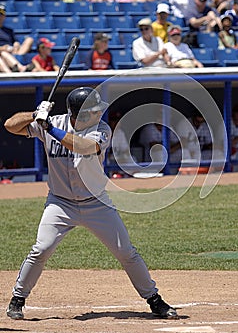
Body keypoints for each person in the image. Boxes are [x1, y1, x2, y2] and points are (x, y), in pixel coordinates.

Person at [5, 87, 178, 320]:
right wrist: (35, 114)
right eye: (94, 110)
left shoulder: (101, 129)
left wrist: (49, 129)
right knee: (41, 250)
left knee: (126, 252)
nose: (99, 113)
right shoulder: (52, 121)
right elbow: (10, 125)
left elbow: (83, 146)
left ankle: (154, 300)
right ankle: (17, 299)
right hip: (60, 203)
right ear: (80, 114)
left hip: (96, 203)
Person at [0, 3, 34, 73]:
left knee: (29, 40)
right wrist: (3, 48)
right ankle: (19, 69)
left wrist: (16, 44)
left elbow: (15, 41)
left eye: (1, 15)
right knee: (3, 53)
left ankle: (17, 65)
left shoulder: (8, 30)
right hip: (2, 53)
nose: (0, 17)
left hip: (12, 52)